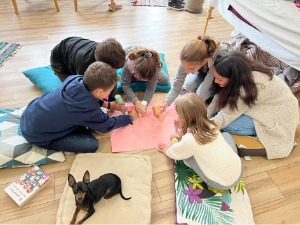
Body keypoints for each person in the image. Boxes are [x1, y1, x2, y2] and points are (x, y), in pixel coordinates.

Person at [20, 62, 138, 153]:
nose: (111, 92)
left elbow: (89, 97)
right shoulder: (88, 110)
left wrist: (107, 104)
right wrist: (130, 118)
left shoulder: (75, 79)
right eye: (110, 90)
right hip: (37, 136)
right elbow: (107, 125)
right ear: (99, 91)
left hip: (29, 114)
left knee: (85, 120)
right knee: (92, 145)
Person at [207, 51, 299, 159]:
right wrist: (206, 115)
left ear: (233, 78)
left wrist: (203, 127)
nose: (216, 81)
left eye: (219, 79)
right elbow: (218, 97)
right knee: (219, 116)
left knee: (227, 125)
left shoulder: (246, 88)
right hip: (270, 104)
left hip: (280, 115)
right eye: (215, 77)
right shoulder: (242, 73)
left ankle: (260, 133)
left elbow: (225, 116)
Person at [158, 93, 242, 190]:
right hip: (238, 171)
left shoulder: (189, 140)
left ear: (183, 118)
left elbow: (176, 153)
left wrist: (169, 148)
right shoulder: (212, 124)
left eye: (179, 115)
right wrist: (181, 132)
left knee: (187, 158)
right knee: (226, 136)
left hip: (220, 183)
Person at [160, 35, 231, 112]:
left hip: (216, 72)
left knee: (201, 94)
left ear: (204, 61)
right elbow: (177, 85)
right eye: (185, 67)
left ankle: (209, 96)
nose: (186, 71)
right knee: (189, 86)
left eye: (191, 69)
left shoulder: (218, 60)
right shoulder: (188, 58)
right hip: (204, 70)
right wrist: (164, 105)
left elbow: (205, 91)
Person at [50, 36, 126, 101]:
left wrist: (112, 98)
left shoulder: (105, 52)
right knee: (73, 88)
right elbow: (85, 91)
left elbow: (112, 78)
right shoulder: (84, 66)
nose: (115, 71)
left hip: (72, 46)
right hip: (59, 62)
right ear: (102, 64)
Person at [121, 46, 169, 116]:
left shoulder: (155, 69)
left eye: (147, 79)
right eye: (141, 78)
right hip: (129, 52)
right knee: (126, 79)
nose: (144, 81)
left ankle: (140, 77)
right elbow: (125, 84)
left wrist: (145, 103)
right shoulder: (129, 64)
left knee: (165, 80)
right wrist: (135, 100)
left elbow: (151, 88)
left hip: (144, 64)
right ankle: (136, 76)